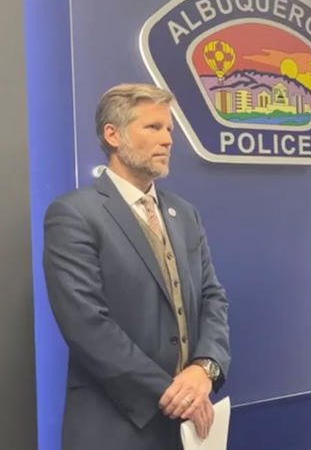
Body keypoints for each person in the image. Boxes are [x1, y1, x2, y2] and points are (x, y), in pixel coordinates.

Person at [43, 83, 230, 450]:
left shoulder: (184, 214)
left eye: (169, 130)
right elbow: (86, 325)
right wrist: (175, 393)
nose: (167, 140)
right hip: (114, 426)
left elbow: (212, 298)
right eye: (153, 128)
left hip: (188, 429)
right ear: (112, 134)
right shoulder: (74, 214)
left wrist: (204, 368)